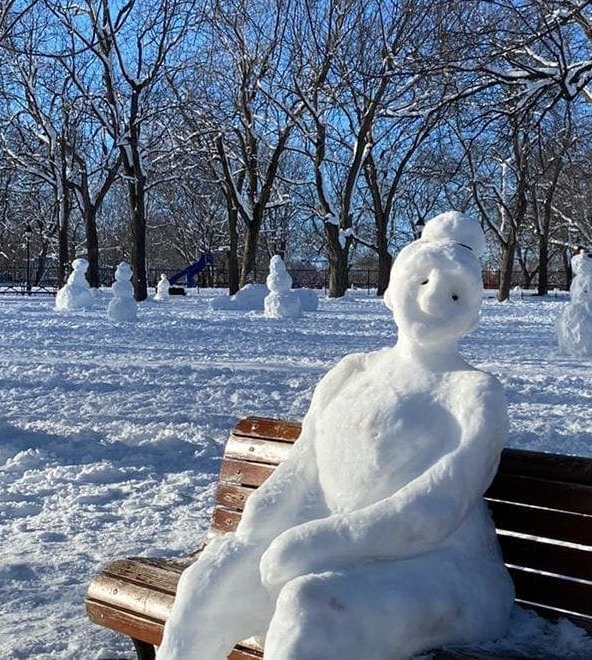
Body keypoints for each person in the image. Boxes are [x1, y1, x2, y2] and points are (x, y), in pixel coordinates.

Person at [157, 212, 513, 660]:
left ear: (471, 314)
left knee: (311, 608)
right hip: (334, 555)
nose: (433, 300)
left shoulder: (473, 392)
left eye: (455, 293)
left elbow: (431, 510)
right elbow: (302, 464)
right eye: (421, 281)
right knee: (209, 582)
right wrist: (258, 528)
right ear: (392, 291)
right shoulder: (352, 372)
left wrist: (315, 544)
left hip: (443, 571)